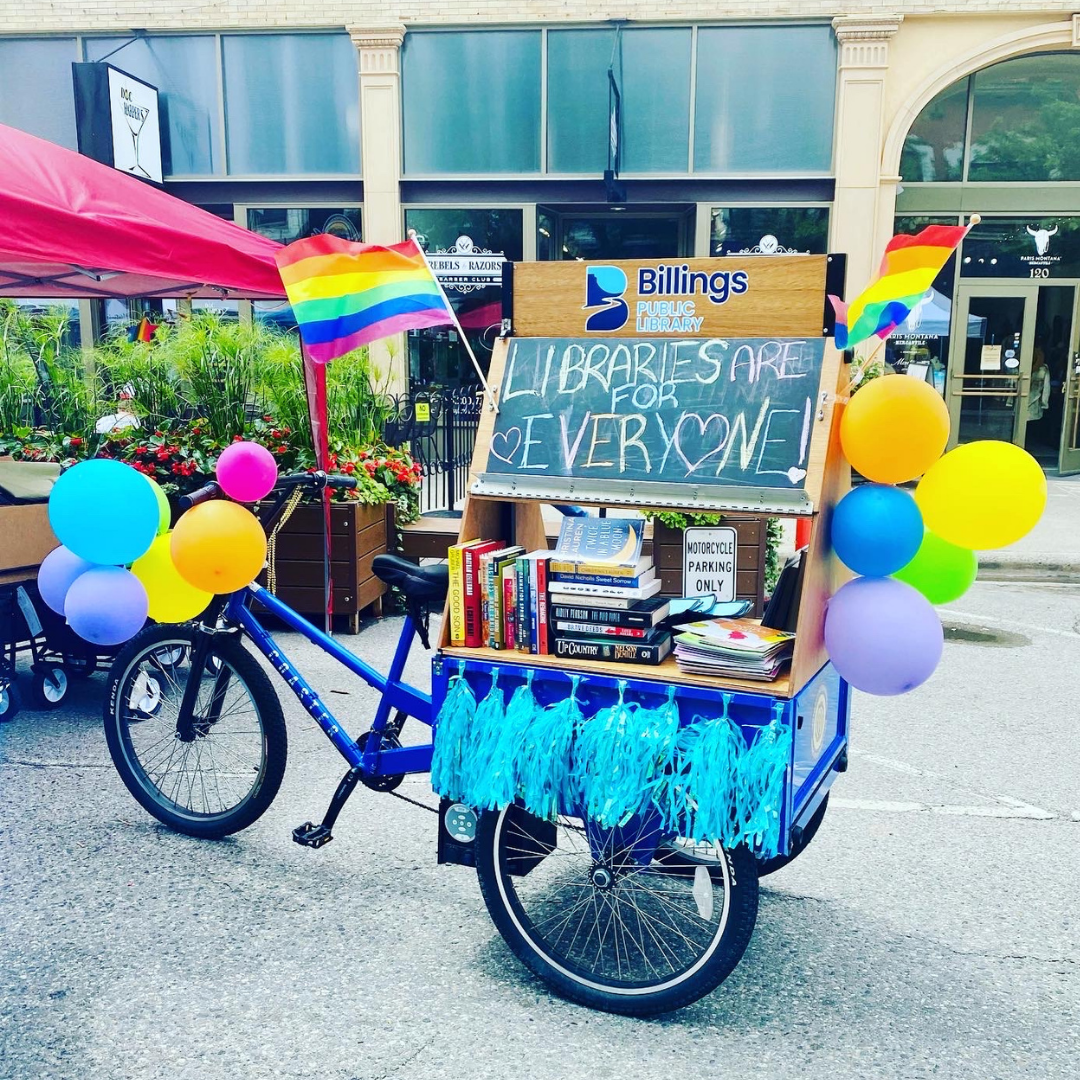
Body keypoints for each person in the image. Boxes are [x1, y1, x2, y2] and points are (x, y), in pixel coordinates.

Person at [1028, 351, 1051, 423]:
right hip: (1035, 404)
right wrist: (1044, 403)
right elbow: (1046, 389)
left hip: (1019, 404)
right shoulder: (1043, 370)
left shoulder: (1021, 367)